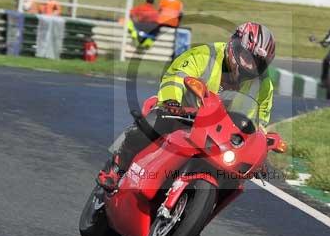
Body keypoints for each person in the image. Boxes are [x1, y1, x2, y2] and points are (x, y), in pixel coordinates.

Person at [97, 22, 276, 192]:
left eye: (256, 63)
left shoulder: (263, 85)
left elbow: (259, 122)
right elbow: (176, 75)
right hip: (183, 113)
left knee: (235, 178)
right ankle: (117, 166)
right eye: (246, 57)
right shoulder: (204, 55)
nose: (249, 65)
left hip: (221, 133)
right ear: (234, 45)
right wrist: (171, 102)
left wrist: (258, 153)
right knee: (154, 122)